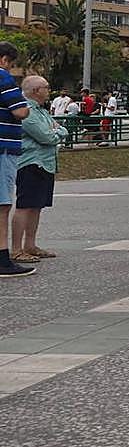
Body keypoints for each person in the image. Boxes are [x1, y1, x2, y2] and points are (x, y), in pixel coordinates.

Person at [10, 76, 65, 266]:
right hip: (31, 162)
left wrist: (57, 131)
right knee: (25, 205)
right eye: (46, 87)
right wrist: (57, 132)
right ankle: (16, 249)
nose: (49, 91)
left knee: (37, 205)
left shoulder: (41, 110)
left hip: (45, 163)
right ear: (35, 91)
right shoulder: (29, 110)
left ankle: (30, 245)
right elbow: (46, 136)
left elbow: (57, 129)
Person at [0, 42, 31, 277]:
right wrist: (26, 106)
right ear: (4, 60)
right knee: (2, 206)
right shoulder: (3, 78)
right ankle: (2, 259)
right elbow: (20, 111)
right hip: (4, 149)